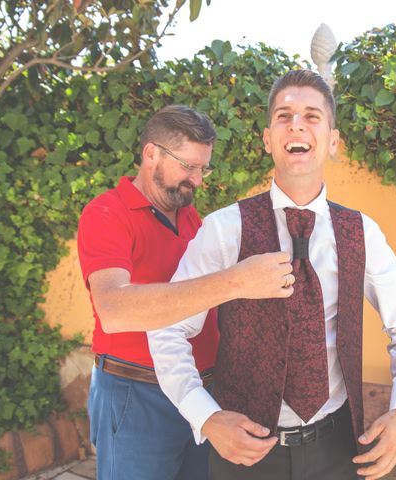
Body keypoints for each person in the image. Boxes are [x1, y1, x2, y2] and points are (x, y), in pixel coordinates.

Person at [148, 71, 396, 480]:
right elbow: (167, 328)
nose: (296, 123)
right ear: (268, 139)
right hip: (243, 453)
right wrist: (206, 417)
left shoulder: (361, 233)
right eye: (284, 115)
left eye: (312, 116)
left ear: (333, 141)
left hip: (339, 448)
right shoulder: (224, 229)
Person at [77, 105, 295, 480]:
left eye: (203, 168)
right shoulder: (107, 213)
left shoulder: (192, 220)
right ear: (151, 155)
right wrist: (236, 280)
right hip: (136, 394)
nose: (197, 180)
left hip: (199, 394)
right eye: (188, 167)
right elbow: (113, 310)